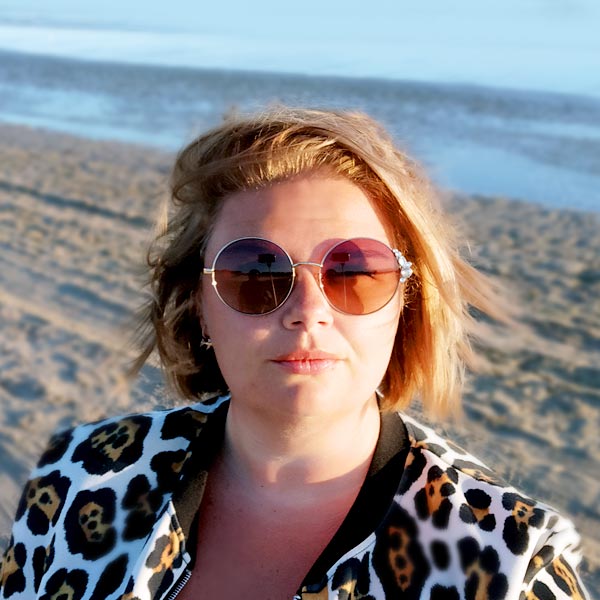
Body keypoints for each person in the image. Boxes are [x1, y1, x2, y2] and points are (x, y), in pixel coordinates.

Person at [0, 108, 590, 600]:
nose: (308, 311)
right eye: (255, 275)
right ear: (199, 306)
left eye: (354, 272)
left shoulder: (509, 566)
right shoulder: (78, 477)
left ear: (406, 304)